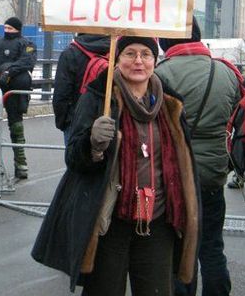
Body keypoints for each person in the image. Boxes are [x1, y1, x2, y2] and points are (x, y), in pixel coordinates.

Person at [32, 36, 200, 295]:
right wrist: (93, 144)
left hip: (157, 221)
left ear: (155, 61)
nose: (138, 61)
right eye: (130, 53)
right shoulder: (99, 96)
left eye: (146, 54)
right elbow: (74, 157)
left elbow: (183, 162)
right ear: (116, 59)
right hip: (111, 223)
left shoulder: (170, 104)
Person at [155, 17, 243, 296]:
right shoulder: (226, 72)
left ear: (165, 40)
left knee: (181, 248)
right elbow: (237, 116)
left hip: (175, 173)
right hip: (214, 172)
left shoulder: (161, 74)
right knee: (212, 246)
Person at [0, 16, 36, 179]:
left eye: (11, 28)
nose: (7, 31)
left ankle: (21, 164)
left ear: (18, 29)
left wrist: (9, 72)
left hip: (15, 89)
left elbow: (27, 62)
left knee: (16, 126)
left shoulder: (26, 43)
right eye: (6, 28)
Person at [53, 34, 110, 144]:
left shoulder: (70, 53)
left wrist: (64, 122)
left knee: (76, 159)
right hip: (107, 121)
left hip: (76, 120)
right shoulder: (116, 51)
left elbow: (61, 93)